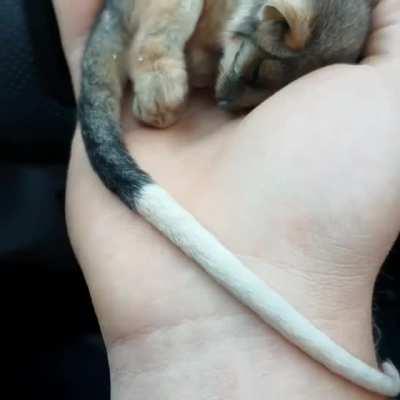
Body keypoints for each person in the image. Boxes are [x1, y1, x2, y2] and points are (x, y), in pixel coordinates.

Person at [53, 0, 400, 398]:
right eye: (253, 77)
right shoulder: (278, 22)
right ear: (275, 17)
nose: (227, 100)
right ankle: (153, 57)